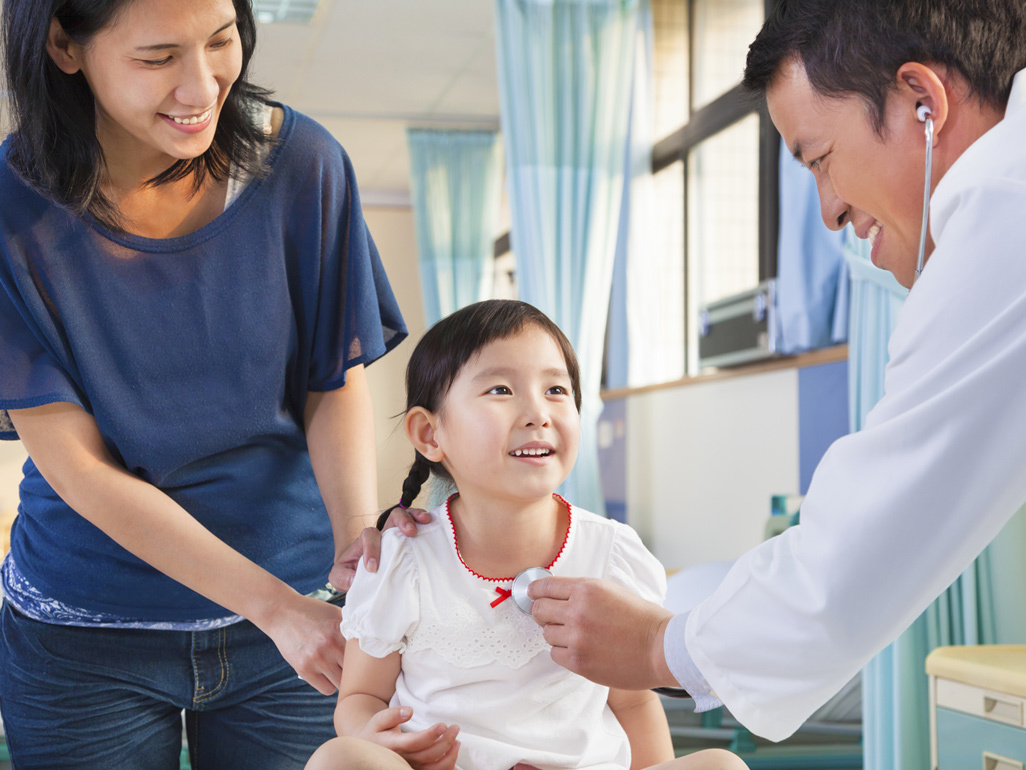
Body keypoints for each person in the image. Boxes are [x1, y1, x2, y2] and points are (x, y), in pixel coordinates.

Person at [514, 0, 1026, 743]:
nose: (828, 211)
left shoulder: (1002, 206)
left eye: (820, 160)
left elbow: (877, 524)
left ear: (923, 102)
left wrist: (663, 646)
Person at [0, 0, 407, 767]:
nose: (202, 87)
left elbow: (331, 381)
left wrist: (358, 539)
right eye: (157, 58)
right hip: (88, 635)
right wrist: (274, 609)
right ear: (64, 45)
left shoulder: (303, 166)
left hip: (298, 619)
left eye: (221, 42)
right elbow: (76, 466)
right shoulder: (8, 212)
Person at [306, 300, 748, 770]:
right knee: (340, 758)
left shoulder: (610, 553)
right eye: (500, 389)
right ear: (430, 433)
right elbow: (359, 696)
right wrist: (370, 733)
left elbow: (634, 704)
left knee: (722, 766)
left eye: (556, 389)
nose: (538, 412)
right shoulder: (402, 560)